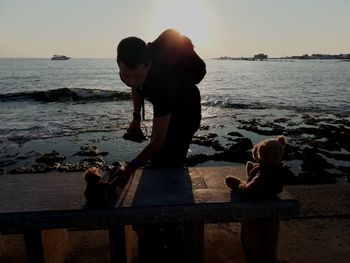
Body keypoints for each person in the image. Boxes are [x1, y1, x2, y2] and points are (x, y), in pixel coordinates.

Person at [115, 29, 206, 262]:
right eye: (126, 75)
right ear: (120, 65)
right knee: (157, 165)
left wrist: (131, 167)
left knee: (170, 163)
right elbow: (135, 88)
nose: (131, 80)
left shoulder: (161, 85)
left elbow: (157, 141)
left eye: (138, 75)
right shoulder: (131, 70)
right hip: (168, 103)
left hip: (186, 114)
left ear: (149, 63)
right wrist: (136, 118)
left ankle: (173, 228)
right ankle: (156, 225)